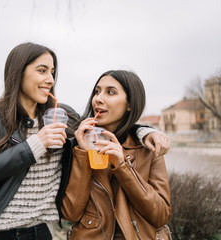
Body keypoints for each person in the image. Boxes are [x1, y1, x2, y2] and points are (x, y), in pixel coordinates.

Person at [0, 43, 169, 240]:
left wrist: (145, 132)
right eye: (42, 70)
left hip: (41, 231)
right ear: (18, 72)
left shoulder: (62, 115)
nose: (50, 79)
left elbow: (103, 123)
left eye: (53, 72)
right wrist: (35, 145)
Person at [61, 70, 171, 239]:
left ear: (130, 104)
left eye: (110, 92)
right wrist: (83, 154)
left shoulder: (148, 147)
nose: (98, 98)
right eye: (97, 91)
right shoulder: (78, 144)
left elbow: (160, 215)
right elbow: (71, 214)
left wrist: (122, 166)